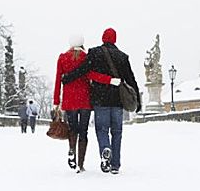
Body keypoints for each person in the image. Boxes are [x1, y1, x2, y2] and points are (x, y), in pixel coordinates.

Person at [62, 28, 141, 175]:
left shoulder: (95, 53)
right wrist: (138, 100)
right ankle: (115, 165)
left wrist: (68, 78)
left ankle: (105, 149)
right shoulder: (123, 57)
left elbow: (83, 70)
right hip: (118, 100)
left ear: (103, 38)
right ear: (115, 40)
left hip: (100, 100)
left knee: (102, 130)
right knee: (117, 132)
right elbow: (131, 79)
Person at [53, 34, 119, 173]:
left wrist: (56, 101)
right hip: (84, 100)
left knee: (72, 129)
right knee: (83, 132)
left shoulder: (63, 58)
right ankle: (80, 165)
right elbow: (91, 75)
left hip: (69, 100)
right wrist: (110, 80)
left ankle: (72, 149)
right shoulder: (86, 57)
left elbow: (58, 79)